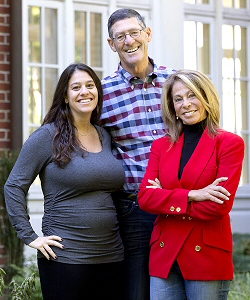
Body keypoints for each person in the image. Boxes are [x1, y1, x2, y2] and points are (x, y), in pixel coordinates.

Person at [4, 63, 126, 300]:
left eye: (90, 85)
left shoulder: (103, 134)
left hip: (111, 254)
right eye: (76, 87)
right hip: (66, 258)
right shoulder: (47, 136)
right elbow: (14, 186)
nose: (85, 92)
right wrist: (30, 236)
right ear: (65, 96)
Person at [138, 69, 245, 300]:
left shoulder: (229, 144)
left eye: (192, 95)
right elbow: (145, 198)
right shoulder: (161, 146)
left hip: (206, 253)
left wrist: (166, 198)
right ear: (172, 106)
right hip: (164, 255)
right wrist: (194, 195)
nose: (185, 104)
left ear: (206, 97)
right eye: (178, 99)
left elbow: (218, 206)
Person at [100, 8, 176, 300]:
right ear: (112, 44)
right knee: (138, 290)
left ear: (148, 34)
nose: (129, 41)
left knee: (182, 284)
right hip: (136, 209)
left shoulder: (176, 83)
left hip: (183, 202)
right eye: (120, 36)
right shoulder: (102, 94)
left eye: (134, 32)